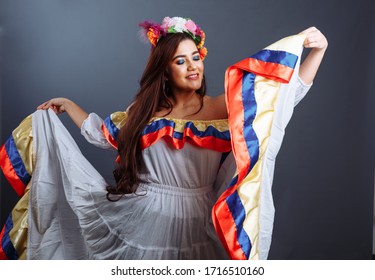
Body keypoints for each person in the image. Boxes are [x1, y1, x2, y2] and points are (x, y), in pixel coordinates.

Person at [1, 16, 327, 260]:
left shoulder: (221, 106)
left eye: (195, 57)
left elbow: (281, 98)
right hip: (143, 214)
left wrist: (315, 51)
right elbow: (104, 136)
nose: (192, 67)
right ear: (165, 69)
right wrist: (68, 104)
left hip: (199, 218)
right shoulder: (146, 111)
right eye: (180, 61)